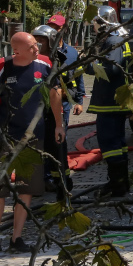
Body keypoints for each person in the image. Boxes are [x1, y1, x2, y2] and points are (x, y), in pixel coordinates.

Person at [0, 31, 64, 253]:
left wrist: (58, 124)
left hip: (34, 138)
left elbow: (55, 94)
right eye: (32, 45)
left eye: (36, 44)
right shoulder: (1, 67)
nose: (37, 48)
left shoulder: (45, 64)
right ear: (17, 50)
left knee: (27, 188)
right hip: (3, 137)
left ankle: (17, 239)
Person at [85, 5, 132, 197]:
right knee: (118, 143)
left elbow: (110, 69)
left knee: (109, 142)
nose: (94, 28)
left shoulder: (114, 41)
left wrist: (89, 64)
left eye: (95, 24)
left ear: (103, 23)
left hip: (110, 101)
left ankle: (117, 185)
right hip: (115, 99)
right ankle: (120, 183)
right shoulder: (118, 39)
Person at [34, 21, 85, 200]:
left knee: (58, 150)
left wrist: (73, 97)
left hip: (57, 112)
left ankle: (62, 184)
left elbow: (73, 84)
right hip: (35, 115)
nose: (38, 45)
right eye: (36, 40)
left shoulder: (60, 60)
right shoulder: (29, 61)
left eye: (41, 41)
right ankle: (40, 182)